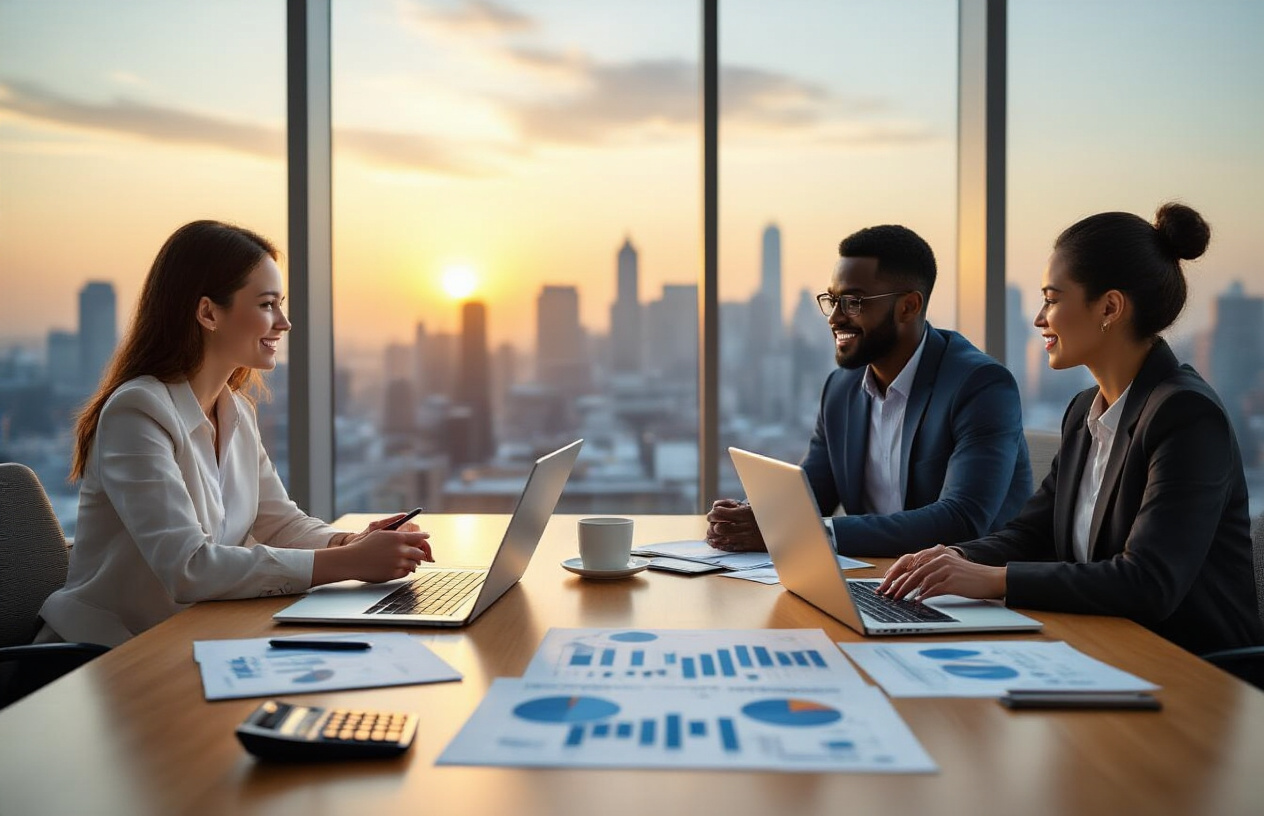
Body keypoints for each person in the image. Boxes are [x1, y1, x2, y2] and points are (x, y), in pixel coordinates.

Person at [880, 203, 1264, 656]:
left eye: (1053, 298)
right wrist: (957, 558)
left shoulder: (1186, 415)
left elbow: (1148, 582)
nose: (1040, 318)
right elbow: (1033, 534)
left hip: (1193, 672)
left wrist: (992, 581)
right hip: (1100, 648)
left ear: (1109, 307)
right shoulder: (1085, 410)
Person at [37, 220, 434, 647]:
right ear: (208, 312)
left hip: (189, 639)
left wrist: (351, 541)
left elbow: (280, 524)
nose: (284, 322)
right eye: (267, 305)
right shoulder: (136, 413)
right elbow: (188, 567)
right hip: (99, 656)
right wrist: (347, 563)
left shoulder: (236, 412)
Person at [708, 224, 1031, 557]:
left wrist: (813, 533)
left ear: (908, 306)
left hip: (972, 594)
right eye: (832, 301)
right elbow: (812, 493)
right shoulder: (840, 388)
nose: (835, 318)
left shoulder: (981, 385)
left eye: (852, 303)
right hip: (875, 581)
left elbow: (960, 520)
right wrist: (751, 516)